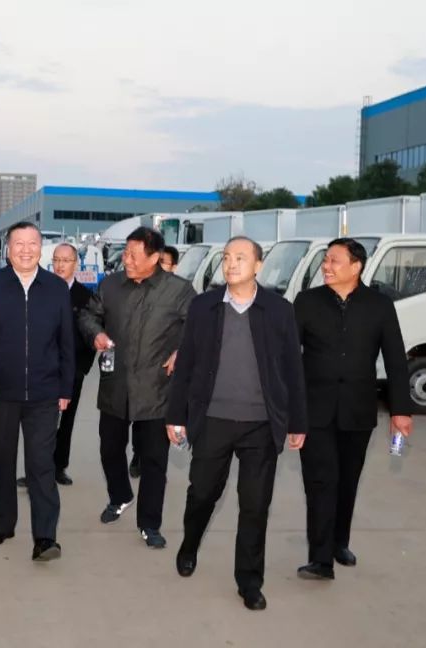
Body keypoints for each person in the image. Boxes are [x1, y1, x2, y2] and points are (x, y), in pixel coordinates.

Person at [167, 237, 307, 611]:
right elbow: (186, 363)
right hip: (213, 419)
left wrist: (298, 421)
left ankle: (249, 581)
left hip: (260, 425)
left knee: (255, 505)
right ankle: (189, 545)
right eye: (227, 257)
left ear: (259, 266)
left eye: (241, 258)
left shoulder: (278, 310)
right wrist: (175, 416)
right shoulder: (204, 306)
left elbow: (293, 368)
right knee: (202, 494)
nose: (231, 264)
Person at [293, 237, 413, 580]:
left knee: (347, 481)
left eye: (334, 261)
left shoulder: (379, 305)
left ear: (356, 266)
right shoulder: (306, 302)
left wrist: (401, 410)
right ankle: (320, 559)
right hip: (315, 410)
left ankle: (338, 543)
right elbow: (288, 356)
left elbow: (395, 359)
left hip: (358, 410)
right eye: (325, 261)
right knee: (321, 482)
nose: (326, 267)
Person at [80, 226, 196, 549]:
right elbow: (88, 315)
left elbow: (200, 328)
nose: (126, 260)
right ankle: (119, 495)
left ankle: (149, 524)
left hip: (157, 390)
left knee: (154, 460)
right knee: (109, 449)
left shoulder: (179, 291)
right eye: (125, 254)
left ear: (155, 257)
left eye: (133, 255)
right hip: (116, 385)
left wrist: (182, 351)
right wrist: (96, 333)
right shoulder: (111, 285)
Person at [0, 222, 74, 562]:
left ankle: (45, 538)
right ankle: (1, 525)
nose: (26, 250)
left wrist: (65, 387)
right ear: (7, 249)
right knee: (2, 461)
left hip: (44, 394)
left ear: (41, 248)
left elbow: (66, 343)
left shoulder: (56, 288)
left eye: (32, 244)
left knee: (41, 465)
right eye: (19, 244)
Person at [17, 243, 96, 486]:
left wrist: (81, 369)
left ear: (76, 264)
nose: (60, 265)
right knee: (39, 423)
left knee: (67, 420)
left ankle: (59, 467)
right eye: (57, 260)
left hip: (72, 371)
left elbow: (93, 335)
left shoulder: (86, 297)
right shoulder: (40, 291)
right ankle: (35, 471)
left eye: (66, 260)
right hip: (42, 370)